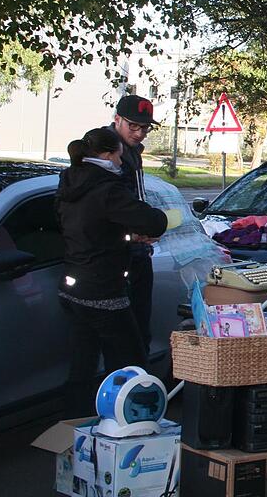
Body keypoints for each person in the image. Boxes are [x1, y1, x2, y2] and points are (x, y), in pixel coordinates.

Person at [56, 128, 168, 417]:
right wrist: (153, 224)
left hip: (72, 285)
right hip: (102, 289)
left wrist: (125, 233)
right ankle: (132, 422)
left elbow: (91, 226)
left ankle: (75, 424)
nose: (121, 163)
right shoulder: (108, 188)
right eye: (119, 157)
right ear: (107, 155)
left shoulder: (70, 180)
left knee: (83, 361)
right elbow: (152, 220)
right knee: (131, 362)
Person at [104, 94, 161, 353]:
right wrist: (135, 231)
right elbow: (110, 207)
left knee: (140, 331)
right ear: (117, 120)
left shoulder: (132, 151)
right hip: (118, 256)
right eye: (133, 126)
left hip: (138, 252)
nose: (139, 133)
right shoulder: (105, 151)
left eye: (145, 128)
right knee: (125, 339)